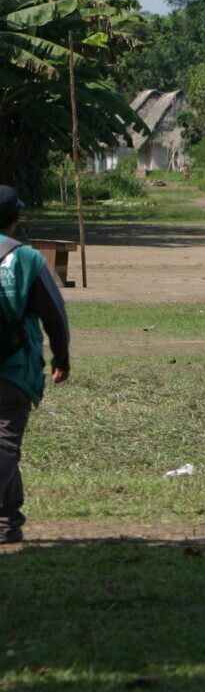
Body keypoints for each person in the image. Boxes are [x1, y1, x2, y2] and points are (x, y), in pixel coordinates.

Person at [0, 186, 71, 544]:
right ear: (15, 219)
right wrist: (62, 358)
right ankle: (4, 521)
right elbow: (54, 317)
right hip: (14, 367)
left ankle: (6, 521)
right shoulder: (26, 259)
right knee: (4, 443)